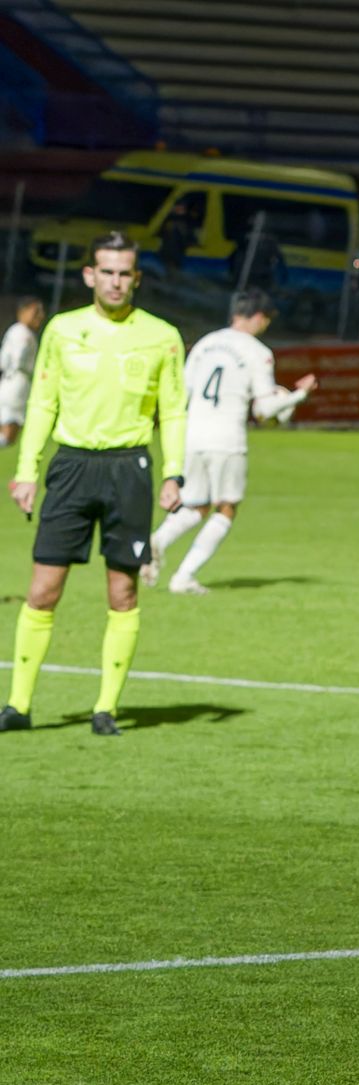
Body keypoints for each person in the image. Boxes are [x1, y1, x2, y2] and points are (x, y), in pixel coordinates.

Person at [3, 232, 185, 736]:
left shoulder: (162, 336)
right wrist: (26, 471)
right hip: (71, 468)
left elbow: (173, 411)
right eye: (107, 271)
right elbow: (42, 403)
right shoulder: (62, 331)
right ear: (90, 275)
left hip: (130, 468)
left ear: (137, 278)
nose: (116, 282)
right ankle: (18, 705)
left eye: (125, 273)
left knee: (123, 592)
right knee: (42, 590)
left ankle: (105, 708)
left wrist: (174, 471)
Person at [145, 289, 318, 594]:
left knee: (196, 505)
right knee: (225, 508)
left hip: (192, 434)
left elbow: (182, 391)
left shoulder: (204, 344)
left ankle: (159, 540)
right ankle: (184, 577)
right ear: (260, 318)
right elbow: (264, 409)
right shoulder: (258, 352)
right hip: (226, 438)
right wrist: (298, 396)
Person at [1, 296, 47, 448]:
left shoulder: (21, 332)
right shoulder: (21, 333)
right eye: (36, 312)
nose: (40, 316)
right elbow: (13, 360)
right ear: (23, 311)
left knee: (10, 435)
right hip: (15, 384)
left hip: (16, 383)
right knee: (8, 434)